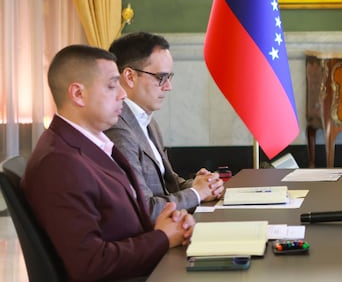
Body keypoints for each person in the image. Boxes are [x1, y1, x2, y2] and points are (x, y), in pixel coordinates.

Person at [22, 45, 195, 281]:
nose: (122, 94)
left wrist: (168, 225)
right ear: (78, 94)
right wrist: (162, 238)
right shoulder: (58, 163)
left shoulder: (93, 144)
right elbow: (91, 264)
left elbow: (122, 221)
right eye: (112, 85)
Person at [106, 32, 224, 220]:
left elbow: (167, 183)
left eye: (169, 77)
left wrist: (200, 185)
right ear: (129, 76)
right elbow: (146, 209)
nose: (168, 86)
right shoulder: (117, 130)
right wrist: (197, 193)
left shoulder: (148, 121)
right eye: (161, 77)